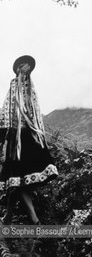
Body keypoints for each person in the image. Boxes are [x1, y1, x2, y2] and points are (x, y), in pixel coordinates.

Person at [0, 55, 58, 225]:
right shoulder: (13, 86)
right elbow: (7, 110)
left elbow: (35, 112)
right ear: (18, 68)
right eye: (23, 65)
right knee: (18, 180)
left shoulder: (32, 88)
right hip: (15, 139)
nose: (26, 67)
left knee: (21, 180)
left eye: (28, 65)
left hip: (30, 138)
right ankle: (33, 220)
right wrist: (3, 135)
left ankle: (9, 216)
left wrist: (38, 133)